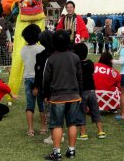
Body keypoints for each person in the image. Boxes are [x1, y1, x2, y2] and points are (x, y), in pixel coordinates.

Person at [8, 0, 53, 99]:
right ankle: (13, 90)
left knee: (41, 41)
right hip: (25, 12)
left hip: (37, 11)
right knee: (20, 47)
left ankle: (45, 82)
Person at [43, 30, 82, 160]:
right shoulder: (75, 57)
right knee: (72, 124)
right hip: (74, 95)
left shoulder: (51, 59)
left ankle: (57, 152)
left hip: (57, 97)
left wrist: (46, 95)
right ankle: (71, 151)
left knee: (57, 124)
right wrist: (79, 93)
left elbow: (46, 79)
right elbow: (79, 77)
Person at [73, 43, 105, 140]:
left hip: (82, 92)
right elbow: (91, 72)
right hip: (91, 91)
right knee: (95, 111)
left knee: (81, 112)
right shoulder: (91, 63)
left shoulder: (76, 64)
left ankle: (83, 133)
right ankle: (100, 131)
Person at [21, 24, 46, 136]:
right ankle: (43, 128)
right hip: (39, 78)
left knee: (29, 105)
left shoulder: (23, 50)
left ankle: (30, 129)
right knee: (42, 104)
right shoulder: (41, 48)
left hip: (27, 77)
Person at [32, 30, 56, 144]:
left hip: (47, 88)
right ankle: (59, 132)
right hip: (60, 87)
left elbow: (38, 73)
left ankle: (53, 136)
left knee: (50, 112)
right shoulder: (58, 54)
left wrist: (36, 86)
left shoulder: (41, 56)